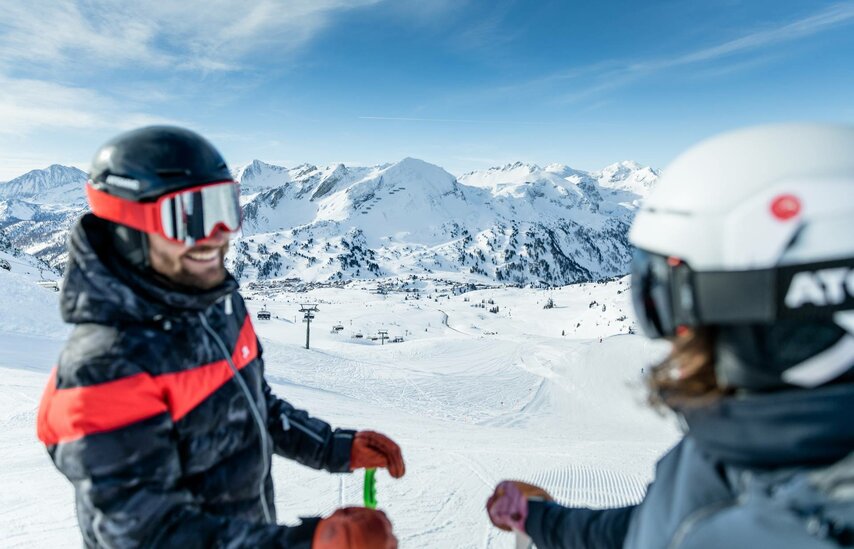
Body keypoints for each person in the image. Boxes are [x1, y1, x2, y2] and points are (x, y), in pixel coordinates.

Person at [486, 124, 854, 548]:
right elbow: (646, 529)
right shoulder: (741, 456)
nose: (671, 339)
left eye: (669, 302)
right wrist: (537, 520)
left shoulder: (783, 525)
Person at [36, 126, 405, 548]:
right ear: (127, 223)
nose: (217, 235)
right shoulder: (104, 367)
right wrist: (311, 542)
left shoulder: (216, 306)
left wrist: (335, 448)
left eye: (225, 208)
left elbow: (254, 408)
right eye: (190, 215)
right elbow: (147, 536)